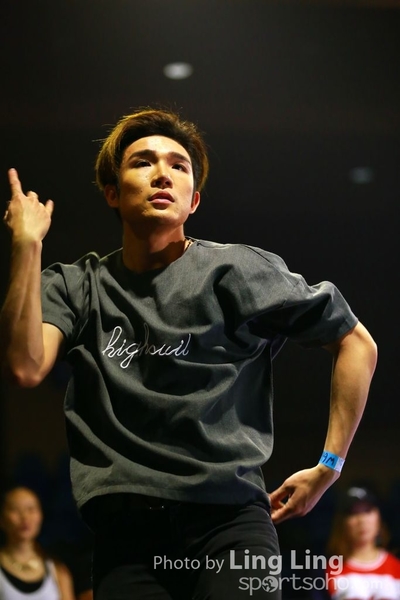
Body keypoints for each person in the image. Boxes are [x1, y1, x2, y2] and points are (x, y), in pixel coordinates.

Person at [0, 108, 377, 599]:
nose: (163, 174)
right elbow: (25, 366)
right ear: (112, 192)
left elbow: (356, 342)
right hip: (126, 539)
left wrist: (329, 466)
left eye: (178, 166)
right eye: (143, 162)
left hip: (231, 527)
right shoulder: (76, 286)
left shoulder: (237, 272)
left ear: (193, 200)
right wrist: (27, 246)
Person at [0, 486, 75, 600]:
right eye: (15, 509)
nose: (25, 517)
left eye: (31, 509)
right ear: (2, 518)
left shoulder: (57, 569)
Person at [326, 485, 400, 599]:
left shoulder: (396, 567)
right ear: (342, 522)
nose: (362, 520)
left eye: (367, 511)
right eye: (353, 513)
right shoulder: (330, 569)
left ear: (379, 517)